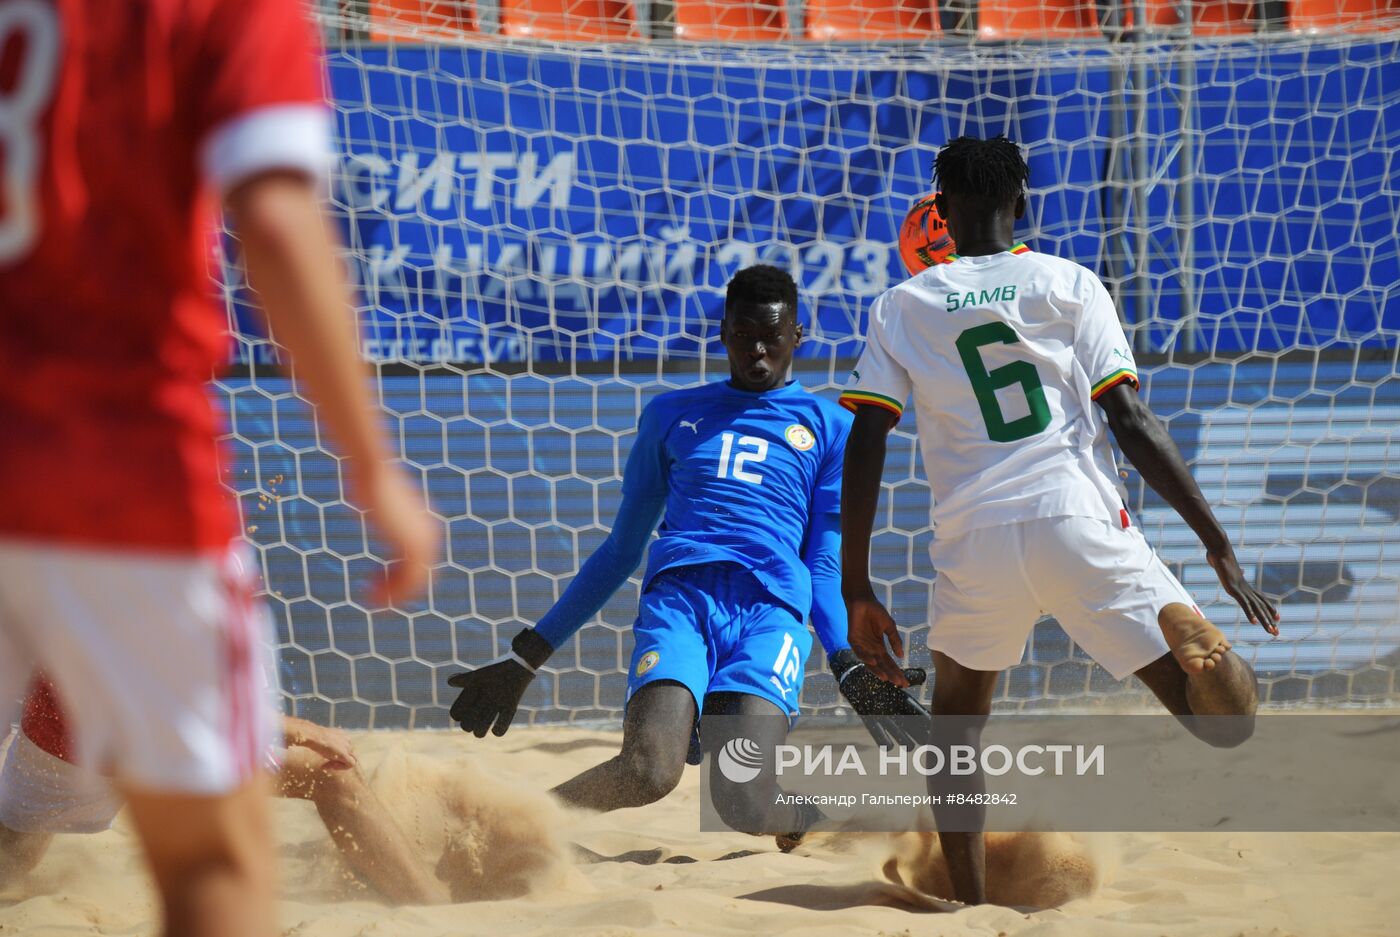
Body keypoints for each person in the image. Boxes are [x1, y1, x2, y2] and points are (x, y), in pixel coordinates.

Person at [0, 3, 436, 935]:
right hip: (111, 483)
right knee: (261, 828)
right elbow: (277, 225)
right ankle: (449, 917)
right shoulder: (218, 17)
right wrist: (377, 474)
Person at [838, 135, 1280, 905]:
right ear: (1025, 206)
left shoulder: (902, 305)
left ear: (939, 214)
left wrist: (857, 587)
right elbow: (1132, 420)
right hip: (1075, 515)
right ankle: (1210, 649)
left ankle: (969, 905)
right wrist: (1217, 544)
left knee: (956, 728)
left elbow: (867, 440)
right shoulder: (1070, 282)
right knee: (1224, 724)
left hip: (974, 537)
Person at [447, 265, 928, 843]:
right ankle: (508, 834)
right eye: (744, 334)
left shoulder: (830, 427)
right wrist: (528, 657)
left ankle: (807, 821)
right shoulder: (670, 414)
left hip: (770, 614)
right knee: (648, 772)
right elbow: (622, 548)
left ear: (797, 335)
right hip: (681, 604)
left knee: (743, 801)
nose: (757, 352)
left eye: (771, 339)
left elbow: (823, 562)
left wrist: (847, 661)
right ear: (722, 330)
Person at [0, 677, 448, 905]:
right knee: (11, 861)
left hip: (83, 746)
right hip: (81, 748)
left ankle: (432, 914)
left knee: (331, 774)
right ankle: (429, 907)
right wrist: (295, 727)